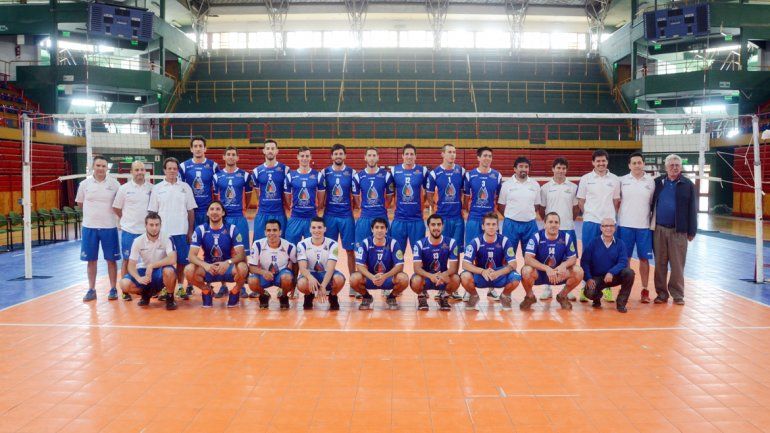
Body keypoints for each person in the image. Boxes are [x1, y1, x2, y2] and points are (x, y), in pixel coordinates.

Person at [148, 157, 197, 300]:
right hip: (163, 234)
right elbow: (153, 213)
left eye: (174, 169)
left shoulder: (185, 187)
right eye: (169, 168)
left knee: (182, 261)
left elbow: (190, 211)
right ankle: (165, 288)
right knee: (164, 262)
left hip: (181, 231)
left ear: (177, 171)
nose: (172, 171)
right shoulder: (157, 188)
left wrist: (190, 231)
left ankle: (180, 287)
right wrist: (154, 232)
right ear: (164, 170)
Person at [651, 154, 697, 305]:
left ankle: (678, 295)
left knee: (677, 265)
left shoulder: (688, 184)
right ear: (665, 167)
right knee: (660, 264)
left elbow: (692, 209)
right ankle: (661, 294)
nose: (674, 167)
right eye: (671, 165)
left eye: (677, 165)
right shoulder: (657, 182)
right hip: (658, 230)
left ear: (681, 167)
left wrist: (691, 231)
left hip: (679, 231)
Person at [185, 201, 249, 308]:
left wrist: (228, 262)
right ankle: (206, 290)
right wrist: (205, 265)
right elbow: (191, 256)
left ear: (223, 213)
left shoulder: (231, 229)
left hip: (227, 268)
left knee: (243, 267)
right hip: (209, 268)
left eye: (218, 209)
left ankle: (235, 290)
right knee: (188, 270)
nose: (215, 212)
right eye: (212, 209)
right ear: (207, 213)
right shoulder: (201, 229)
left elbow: (242, 255)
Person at [576, 149, 621, 303]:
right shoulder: (586, 179)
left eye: (604, 161)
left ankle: (606, 288)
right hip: (590, 222)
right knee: (587, 256)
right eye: (598, 161)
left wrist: (608, 218)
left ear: (607, 162)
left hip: (608, 224)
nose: (601, 163)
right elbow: (581, 201)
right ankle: (585, 288)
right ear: (593, 162)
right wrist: (589, 214)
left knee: (608, 257)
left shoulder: (615, 179)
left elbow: (616, 202)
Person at [77, 156, 121, 302]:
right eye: (98, 165)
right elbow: (80, 203)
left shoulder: (115, 184)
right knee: (91, 260)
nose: (101, 168)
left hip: (109, 227)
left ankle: (113, 288)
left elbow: (119, 203)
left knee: (111, 260)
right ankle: (91, 289)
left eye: (104, 166)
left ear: (107, 167)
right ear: (93, 166)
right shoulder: (84, 184)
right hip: (90, 227)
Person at [460, 213, 527, 310]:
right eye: (488, 224)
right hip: (482, 275)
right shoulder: (476, 242)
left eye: (493, 224)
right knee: (464, 276)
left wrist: (498, 272)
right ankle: (474, 296)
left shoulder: (504, 241)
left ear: (497, 226)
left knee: (516, 277)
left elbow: (513, 264)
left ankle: (504, 296)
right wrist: (482, 271)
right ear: (483, 226)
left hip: (499, 275)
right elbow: (465, 264)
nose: (491, 227)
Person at [496, 156, 540, 301]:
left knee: (531, 259)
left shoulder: (535, 185)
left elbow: (536, 206)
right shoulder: (507, 185)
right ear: (514, 169)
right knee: (507, 258)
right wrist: (512, 216)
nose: (523, 169)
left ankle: (529, 292)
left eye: (526, 167)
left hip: (530, 225)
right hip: (511, 224)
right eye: (520, 166)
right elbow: (501, 206)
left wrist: (525, 215)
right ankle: (505, 291)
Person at [520, 212, 583, 310]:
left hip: (559, 273)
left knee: (578, 272)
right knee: (526, 271)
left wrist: (564, 265)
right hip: (540, 273)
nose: (553, 224)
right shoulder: (537, 236)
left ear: (559, 225)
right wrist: (546, 268)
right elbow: (528, 258)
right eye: (550, 222)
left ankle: (562, 296)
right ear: (544, 224)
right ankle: (529, 297)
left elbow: (573, 258)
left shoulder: (565, 237)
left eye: (556, 222)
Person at [213, 146, 253, 298]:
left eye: (233, 155)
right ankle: (223, 285)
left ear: (237, 158)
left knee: (241, 253)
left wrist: (242, 210)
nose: (230, 157)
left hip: (239, 218)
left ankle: (240, 285)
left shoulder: (244, 175)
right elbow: (216, 198)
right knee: (221, 251)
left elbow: (248, 197)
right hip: (223, 219)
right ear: (223, 157)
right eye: (228, 154)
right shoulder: (217, 176)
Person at [537, 157, 579, 301]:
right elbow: (542, 209)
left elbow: (575, 209)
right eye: (558, 168)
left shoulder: (573, 187)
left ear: (566, 170)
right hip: (550, 230)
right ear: (553, 169)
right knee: (547, 257)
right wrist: (550, 224)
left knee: (568, 260)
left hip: (568, 228)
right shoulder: (545, 188)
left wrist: (567, 221)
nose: (561, 171)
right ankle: (547, 288)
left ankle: (566, 289)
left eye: (563, 168)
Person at [119, 212, 178, 310]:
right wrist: (138, 278)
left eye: (157, 225)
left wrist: (152, 265)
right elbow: (131, 265)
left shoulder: (167, 238)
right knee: (124, 284)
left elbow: (173, 259)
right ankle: (146, 293)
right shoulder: (138, 241)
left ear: (160, 225)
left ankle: (170, 297)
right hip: (144, 271)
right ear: (145, 225)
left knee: (169, 271)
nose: (154, 228)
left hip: (160, 271)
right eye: (151, 225)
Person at [112, 160, 153, 301]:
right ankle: (125, 289)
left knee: (150, 260)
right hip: (129, 231)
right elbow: (116, 207)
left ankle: (152, 287)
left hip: (147, 232)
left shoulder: (151, 188)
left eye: (142, 169)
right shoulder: (124, 189)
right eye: (137, 170)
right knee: (127, 260)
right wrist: (126, 220)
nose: (140, 172)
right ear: (131, 172)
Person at [618, 151, 655, 303]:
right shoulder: (622, 181)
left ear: (643, 164)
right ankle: (624, 290)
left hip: (644, 227)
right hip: (625, 226)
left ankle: (645, 289)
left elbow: (652, 203)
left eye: (639, 162)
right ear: (629, 165)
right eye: (634, 163)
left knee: (644, 259)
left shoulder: (651, 181)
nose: (637, 165)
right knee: (625, 259)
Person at [350, 217, 409, 310]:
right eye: (377, 227)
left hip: (387, 278)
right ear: (372, 229)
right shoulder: (365, 243)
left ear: (386, 230)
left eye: (382, 227)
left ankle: (391, 297)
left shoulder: (393, 243)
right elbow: (359, 265)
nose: (379, 230)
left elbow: (399, 265)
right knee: (353, 278)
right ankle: (366, 297)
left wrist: (385, 276)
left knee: (404, 279)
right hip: (371, 278)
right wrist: (372, 277)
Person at [580, 218, 635, 313]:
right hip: (597, 277)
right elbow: (584, 262)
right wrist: (588, 278)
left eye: (611, 226)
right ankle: (597, 297)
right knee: (589, 292)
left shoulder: (620, 244)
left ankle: (621, 303)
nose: (608, 228)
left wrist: (611, 272)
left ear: (615, 228)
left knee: (629, 273)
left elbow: (623, 262)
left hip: (613, 276)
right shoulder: (593, 243)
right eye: (605, 226)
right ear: (601, 228)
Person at [409, 214, 461, 311]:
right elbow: (416, 268)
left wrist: (443, 275)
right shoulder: (420, 243)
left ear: (442, 226)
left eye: (438, 224)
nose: (436, 227)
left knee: (456, 278)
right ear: (428, 226)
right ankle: (422, 297)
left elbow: (453, 268)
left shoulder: (451, 242)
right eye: (433, 225)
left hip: (443, 278)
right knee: (415, 280)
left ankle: (444, 297)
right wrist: (431, 276)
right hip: (427, 278)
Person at [322, 143, 357, 281]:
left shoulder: (352, 172)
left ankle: (353, 281)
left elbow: (355, 195)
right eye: (335, 154)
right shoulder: (324, 173)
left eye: (341, 153)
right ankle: (328, 280)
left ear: (345, 156)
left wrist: (350, 209)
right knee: (329, 250)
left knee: (350, 250)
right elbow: (322, 194)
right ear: (331, 156)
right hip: (329, 216)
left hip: (346, 217)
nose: (338, 156)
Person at [296, 217, 347, 310]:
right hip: (310, 274)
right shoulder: (302, 244)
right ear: (310, 229)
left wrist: (323, 286)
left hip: (326, 273)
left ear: (325, 229)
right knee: (301, 283)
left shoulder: (333, 244)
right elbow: (302, 268)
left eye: (319, 227)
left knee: (339, 279)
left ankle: (333, 296)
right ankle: (308, 295)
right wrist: (310, 278)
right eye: (314, 227)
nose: (316, 230)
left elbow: (331, 268)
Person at [247, 219, 297, 310]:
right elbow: (251, 267)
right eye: (269, 230)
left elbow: (295, 263)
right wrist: (263, 272)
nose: (271, 233)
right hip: (264, 275)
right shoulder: (257, 244)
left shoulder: (289, 246)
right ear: (265, 232)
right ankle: (264, 295)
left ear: (280, 232)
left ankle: (283, 296)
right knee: (251, 281)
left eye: (275, 230)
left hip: (281, 275)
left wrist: (294, 284)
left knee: (287, 278)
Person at [391, 144, 429, 254]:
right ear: (402, 156)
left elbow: (428, 191)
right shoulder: (395, 171)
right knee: (397, 254)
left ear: (415, 156)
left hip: (417, 220)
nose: (409, 156)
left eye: (412, 154)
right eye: (406, 154)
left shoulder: (423, 171)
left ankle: (419, 272)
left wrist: (422, 202)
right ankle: (397, 272)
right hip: (399, 220)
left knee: (419, 255)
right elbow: (390, 193)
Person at [352, 147, 394, 245]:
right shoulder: (358, 176)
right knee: (361, 250)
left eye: (374, 155)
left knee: (384, 250)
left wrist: (382, 207)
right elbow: (356, 197)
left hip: (381, 217)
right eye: (369, 155)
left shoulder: (386, 175)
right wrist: (363, 207)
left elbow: (389, 197)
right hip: (365, 218)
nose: (371, 158)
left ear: (378, 158)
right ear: (365, 158)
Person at [284, 147, 326, 245]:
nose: (304, 158)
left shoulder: (318, 175)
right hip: (295, 217)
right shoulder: (290, 176)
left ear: (310, 157)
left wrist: (316, 210)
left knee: (313, 251)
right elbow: (287, 198)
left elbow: (321, 199)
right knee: (291, 250)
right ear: (297, 157)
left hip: (311, 218)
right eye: (302, 156)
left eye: (307, 156)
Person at [427, 143, 465, 248]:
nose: (452, 155)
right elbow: (429, 194)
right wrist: (434, 207)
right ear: (442, 154)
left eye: (454, 152)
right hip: (442, 218)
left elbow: (463, 192)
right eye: (449, 152)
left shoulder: (461, 171)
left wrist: (463, 207)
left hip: (457, 218)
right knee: (442, 250)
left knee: (456, 251)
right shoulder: (435, 173)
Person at [463, 147, 502, 247]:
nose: (487, 158)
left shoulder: (497, 176)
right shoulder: (470, 175)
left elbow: (498, 198)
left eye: (490, 156)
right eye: (485, 155)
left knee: (491, 249)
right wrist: (467, 213)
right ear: (478, 158)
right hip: (474, 218)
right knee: (470, 249)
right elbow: (466, 198)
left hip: (490, 220)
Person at [250, 139, 288, 241]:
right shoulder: (256, 171)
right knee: (259, 245)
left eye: (272, 148)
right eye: (268, 148)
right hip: (263, 213)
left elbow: (287, 194)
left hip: (279, 213)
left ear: (277, 151)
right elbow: (258, 194)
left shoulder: (285, 170)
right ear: (264, 151)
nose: (270, 151)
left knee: (281, 245)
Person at [179, 136, 219, 228]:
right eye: (195, 146)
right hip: (189, 211)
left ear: (205, 148)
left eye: (200, 146)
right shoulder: (183, 166)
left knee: (207, 241)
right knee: (191, 240)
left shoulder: (213, 166)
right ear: (191, 149)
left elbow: (218, 190)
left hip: (207, 212)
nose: (198, 149)